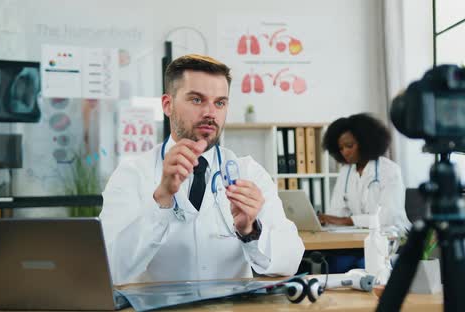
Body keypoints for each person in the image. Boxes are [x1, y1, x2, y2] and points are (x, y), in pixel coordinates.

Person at [100, 54, 304, 285]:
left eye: (220, 103)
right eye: (197, 100)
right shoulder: (132, 173)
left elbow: (290, 260)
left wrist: (250, 231)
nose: (210, 112)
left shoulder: (248, 172)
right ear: (167, 105)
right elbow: (108, 269)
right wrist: (161, 199)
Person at [319, 113, 411, 233]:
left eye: (349, 146)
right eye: (341, 148)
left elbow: (387, 218)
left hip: (392, 236)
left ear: (364, 142)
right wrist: (326, 220)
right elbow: (335, 213)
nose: (345, 152)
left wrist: (348, 221)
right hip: (360, 235)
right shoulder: (345, 172)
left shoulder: (389, 170)